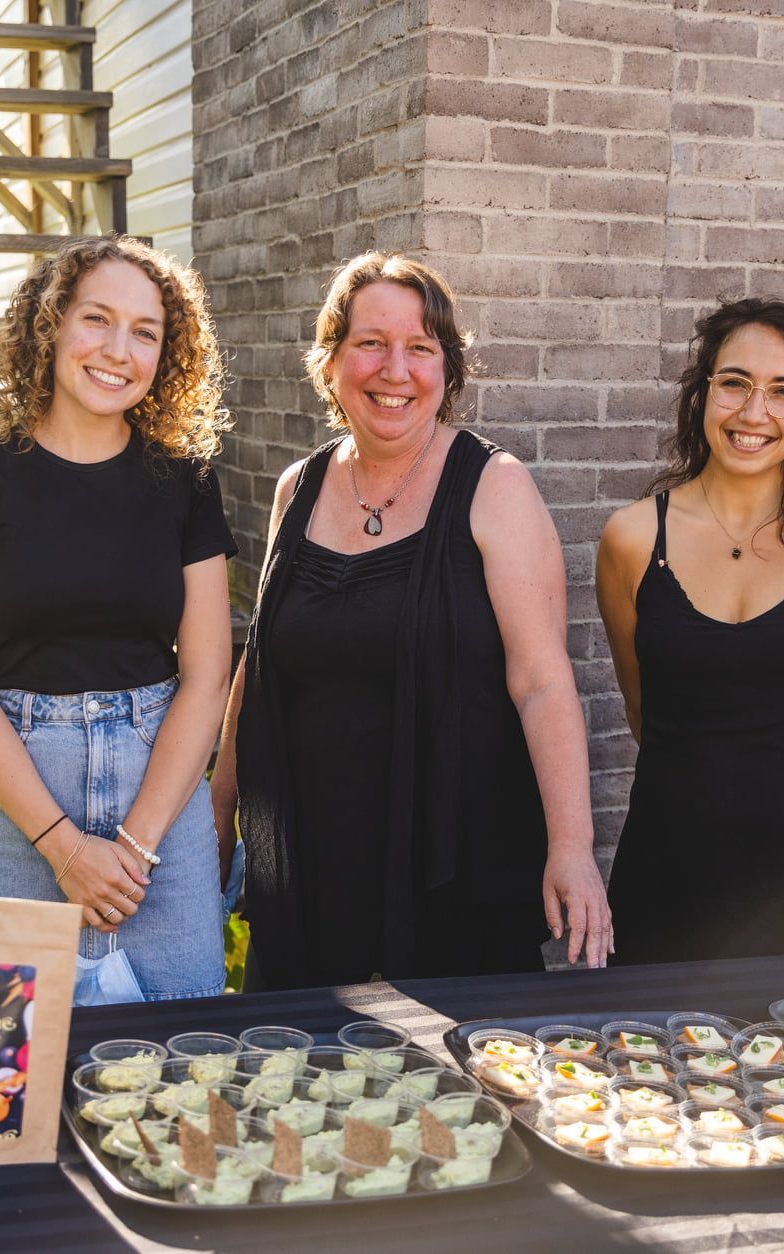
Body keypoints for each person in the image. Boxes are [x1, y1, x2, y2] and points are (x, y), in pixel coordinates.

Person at [211, 252, 612, 989]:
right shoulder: (296, 489)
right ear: (330, 362)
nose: (394, 369)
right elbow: (261, 664)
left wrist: (572, 848)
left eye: (420, 348)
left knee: (455, 1092)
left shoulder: (494, 487)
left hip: (447, 866)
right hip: (310, 864)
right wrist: (217, 812)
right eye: (370, 343)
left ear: (446, 370)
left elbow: (541, 681)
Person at [0, 236, 239, 1002]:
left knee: (182, 1070)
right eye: (96, 319)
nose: (117, 350)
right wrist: (62, 848)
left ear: (167, 354)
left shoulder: (186, 484)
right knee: (2, 1088)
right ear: (52, 325)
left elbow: (206, 675)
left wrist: (134, 845)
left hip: (159, 807)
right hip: (17, 803)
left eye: (145, 332)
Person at [596, 297, 784, 962]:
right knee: (650, 1058)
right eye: (733, 383)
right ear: (701, 392)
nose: (752, 413)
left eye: (783, 391)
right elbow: (641, 706)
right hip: (671, 872)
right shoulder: (630, 538)